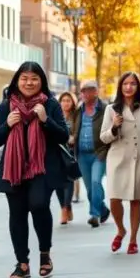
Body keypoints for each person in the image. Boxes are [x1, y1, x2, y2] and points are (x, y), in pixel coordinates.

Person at [0, 62, 71, 278]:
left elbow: (63, 136)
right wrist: (6, 125)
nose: (29, 82)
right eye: (24, 78)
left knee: (39, 205)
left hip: (42, 168)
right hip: (13, 168)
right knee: (17, 215)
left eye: (34, 78)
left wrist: (45, 120)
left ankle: (45, 254)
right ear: (17, 80)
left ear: (41, 81)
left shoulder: (50, 104)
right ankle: (22, 264)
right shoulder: (7, 105)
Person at [100, 71, 140, 254]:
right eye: (125, 83)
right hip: (117, 159)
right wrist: (114, 127)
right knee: (114, 198)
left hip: (138, 158)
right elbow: (103, 138)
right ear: (120, 86)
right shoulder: (111, 109)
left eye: (133, 83)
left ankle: (133, 239)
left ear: (138, 87)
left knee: (135, 199)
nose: (129, 87)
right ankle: (120, 230)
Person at [73, 80, 109, 227]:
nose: (86, 93)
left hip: (99, 153)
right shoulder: (78, 110)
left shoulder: (105, 109)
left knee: (96, 182)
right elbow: (73, 129)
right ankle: (103, 210)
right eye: (83, 90)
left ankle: (94, 215)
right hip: (82, 155)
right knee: (89, 189)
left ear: (96, 91)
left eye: (89, 90)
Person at [57, 91, 79, 224]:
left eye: (68, 100)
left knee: (69, 180)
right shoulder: (55, 115)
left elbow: (78, 132)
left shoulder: (76, 116)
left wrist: (73, 138)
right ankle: (66, 206)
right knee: (58, 182)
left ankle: (64, 209)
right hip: (57, 151)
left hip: (70, 152)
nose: (65, 103)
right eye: (63, 100)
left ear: (72, 102)